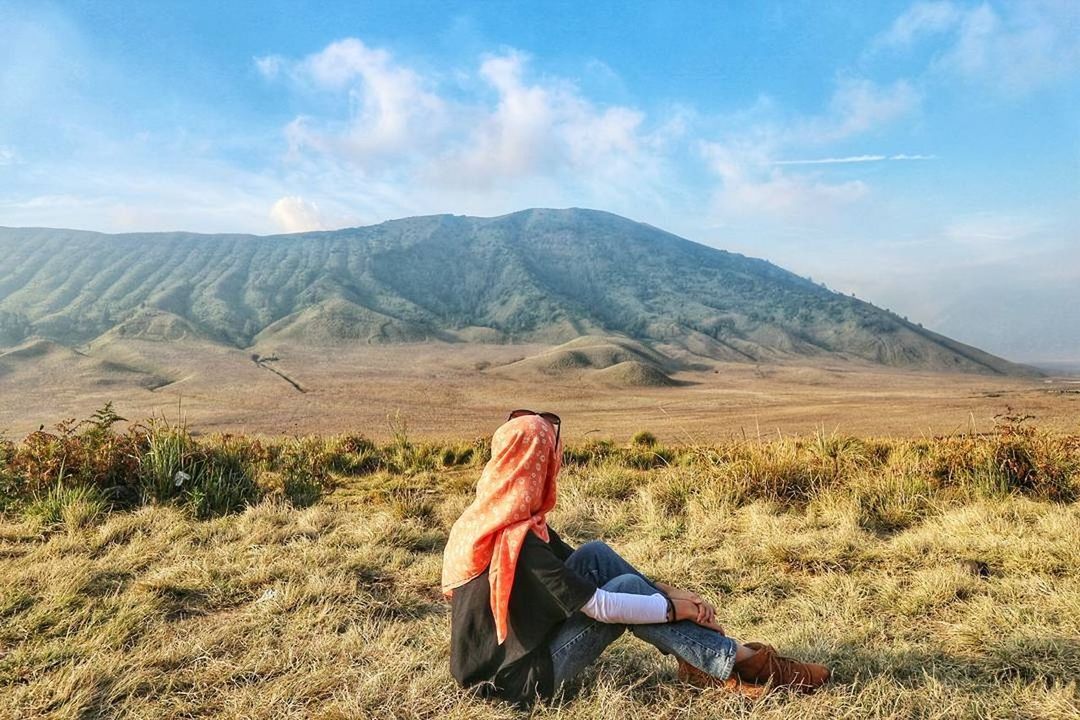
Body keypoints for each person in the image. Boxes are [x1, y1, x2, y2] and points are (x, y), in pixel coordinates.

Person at [441, 410, 831, 709]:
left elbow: (582, 568)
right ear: (532, 464)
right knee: (625, 592)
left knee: (594, 554)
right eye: (549, 457)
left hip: (510, 659)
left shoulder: (491, 523)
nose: (555, 466)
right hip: (512, 684)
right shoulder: (517, 544)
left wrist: (669, 591)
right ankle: (740, 660)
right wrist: (674, 609)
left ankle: (703, 663)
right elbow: (602, 606)